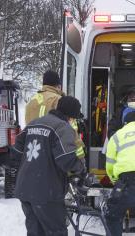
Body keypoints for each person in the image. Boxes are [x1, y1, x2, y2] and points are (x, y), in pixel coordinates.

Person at [12, 96, 86, 236]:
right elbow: (66, 159)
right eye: (74, 118)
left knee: (35, 232)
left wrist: (30, 169)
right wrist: (81, 171)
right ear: (70, 116)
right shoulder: (62, 127)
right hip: (46, 192)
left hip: (25, 189)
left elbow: (15, 153)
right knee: (56, 231)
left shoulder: (34, 123)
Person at [25, 70, 85, 159]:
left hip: (33, 152)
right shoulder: (59, 100)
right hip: (54, 154)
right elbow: (70, 130)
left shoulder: (31, 101)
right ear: (58, 86)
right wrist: (80, 157)